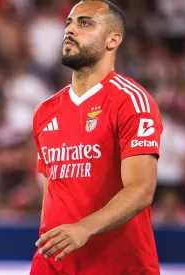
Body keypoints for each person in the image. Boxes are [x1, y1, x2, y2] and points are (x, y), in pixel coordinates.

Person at [30, 1, 163, 274]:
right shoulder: (45, 111)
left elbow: (141, 190)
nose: (70, 30)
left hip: (119, 266)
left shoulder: (132, 102)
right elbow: (52, 189)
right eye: (69, 22)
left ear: (113, 39)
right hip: (54, 265)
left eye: (85, 23)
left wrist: (84, 229)